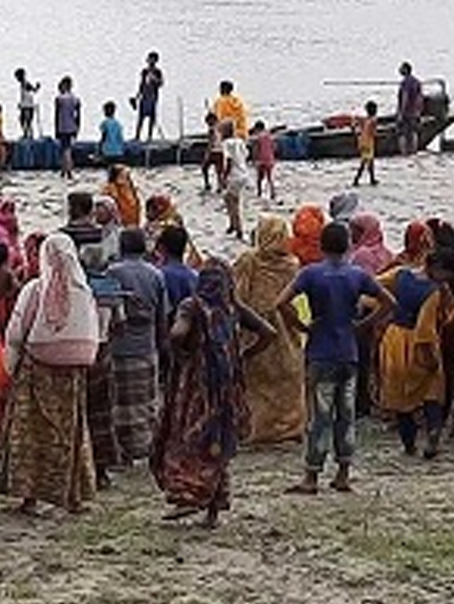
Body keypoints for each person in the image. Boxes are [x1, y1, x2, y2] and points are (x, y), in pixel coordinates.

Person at [153, 259, 275, 527]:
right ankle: (212, 510)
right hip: (227, 387)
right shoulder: (232, 308)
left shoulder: (192, 306)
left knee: (188, 441)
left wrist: (181, 352)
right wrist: (240, 355)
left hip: (196, 388)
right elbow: (268, 332)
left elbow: (176, 334)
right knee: (217, 444)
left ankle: (189, 497)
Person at [277, 222, 395, 493]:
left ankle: (312, 475)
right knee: (346, 413)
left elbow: (280, 303)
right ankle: (343, 472)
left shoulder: (310, 274)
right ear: (348, 246)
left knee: (320, 416)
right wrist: (363, 325)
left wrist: (301, 326)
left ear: (321, 245)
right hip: (348, 352)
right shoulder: (358, 275)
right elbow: (389, 302)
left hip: (320, 352)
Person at [0, 234, 102, 515]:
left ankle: (30, 498)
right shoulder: (84, 292)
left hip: (36, 371)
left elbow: (16, 332)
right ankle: (73, 496)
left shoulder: (35, 290)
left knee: (31, 433)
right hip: (72, 376)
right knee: (70, 433)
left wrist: (8, 367)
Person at [376, 246, 454, 458]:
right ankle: (433, 434)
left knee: (400, 396)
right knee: (432, 392)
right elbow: (426, 330)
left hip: (394, 339)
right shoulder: (432, 292)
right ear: (438, 268)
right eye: (447, 275)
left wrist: (385, 311)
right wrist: (431, 357)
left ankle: (409, 445)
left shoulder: (400, 274)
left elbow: (373, 285)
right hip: (418, 343)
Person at [231, 215, 308, 445]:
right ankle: (289, 428)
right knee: (286, 380)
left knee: (257, 384)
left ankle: (258, 429)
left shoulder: (248, 261)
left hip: (256, 327)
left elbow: (238, 295)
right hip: (286, 327)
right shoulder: (292, 264)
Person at [106, 230, 168, 473]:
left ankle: (123, 452)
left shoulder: (113, 273)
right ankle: (147, 448)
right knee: (145, 402)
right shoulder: (156, 275)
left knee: (120, 403)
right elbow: (162, 317)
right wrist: (162, 348)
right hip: (146, 347)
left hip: (119, 348)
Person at [219, 121, 249, 239]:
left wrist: (223, 177)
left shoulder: (226, 143)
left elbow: (229, 161)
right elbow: (246, 154)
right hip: (243, 174)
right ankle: (232, 224)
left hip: (234, 175)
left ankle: (238, 229)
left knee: (233, 203)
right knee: (228, 198)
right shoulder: (240, 141)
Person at [53, 76, 82, 180]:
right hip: (72, 126)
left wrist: (56, 129)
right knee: (67, 148)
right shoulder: (76, 99)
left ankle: (68, 170)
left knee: (65, 149)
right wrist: (78, 127)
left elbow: (56, 115)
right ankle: (64, 170)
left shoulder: (59, 99)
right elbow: (78, 115)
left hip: (62, 126)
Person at [397, 61, 425, 156]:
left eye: (401, 68)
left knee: (402, 134)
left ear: (405, 69)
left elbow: (405, 97)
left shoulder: (405, 83)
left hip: (406, 112)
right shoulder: (417, 82)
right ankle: (414, 151)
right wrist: (418, 111)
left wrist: (401, 113)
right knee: (413, 132)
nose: (399, 70)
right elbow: (420, 98)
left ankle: (404, 153)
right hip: (414, 112)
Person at [135, 52, 163, 142]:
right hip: (144, 96)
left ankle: (149, 136)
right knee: (141, 117)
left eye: (152, 59)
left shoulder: (158, 72)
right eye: (149, 59)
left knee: (152, 117)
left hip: (153, 97)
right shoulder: (144, 71)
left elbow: (160, 83)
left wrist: (154, 78)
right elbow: (141, 85)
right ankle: (137, 136)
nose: (150, 61)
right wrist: (137, 96)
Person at [351, 100, 380, 187]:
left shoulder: (365, 119)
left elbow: (355, 120)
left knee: (370, 162)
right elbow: (373, 133)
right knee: (364, 162)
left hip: (362, 142)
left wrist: (355, 130)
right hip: (369, 143)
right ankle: (356, 179)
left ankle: (372, 179)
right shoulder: (373, 120)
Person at [250, 121, 278, 202]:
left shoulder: (257, 138)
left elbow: (255, 150)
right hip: (270, 160)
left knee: (259, 178)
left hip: (261, 160)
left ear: (257, 129)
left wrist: (254, 159)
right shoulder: (270, 136)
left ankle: (259, 192)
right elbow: (274, 147)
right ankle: (272, 192)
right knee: (270, 178)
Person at [15, 68, 39, 140]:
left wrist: (36, 88)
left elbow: (32, 91)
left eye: (17, 77)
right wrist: (20, 104)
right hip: (25, 105)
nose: (17, 79)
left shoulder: (26, 84)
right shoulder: (23, 84)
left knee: (27, 121)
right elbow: (25, 95)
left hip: (28, 106)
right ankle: (26, 134)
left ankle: (29, 135)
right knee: (23, 120)